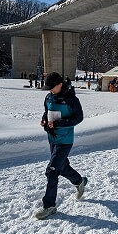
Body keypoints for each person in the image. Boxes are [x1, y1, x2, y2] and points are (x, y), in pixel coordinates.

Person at [35, 72, 88, 220]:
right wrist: (45, 121)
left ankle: (49, 206)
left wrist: (59, 123)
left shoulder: (71, 99)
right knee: (62, 166)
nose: (50, 90)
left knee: (52, 171)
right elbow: (47, 112)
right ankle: (79, 181)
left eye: (52, 87)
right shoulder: (49, 97)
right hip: (52, 137)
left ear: (60, 84)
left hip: (65, 140)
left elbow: (79, 117)